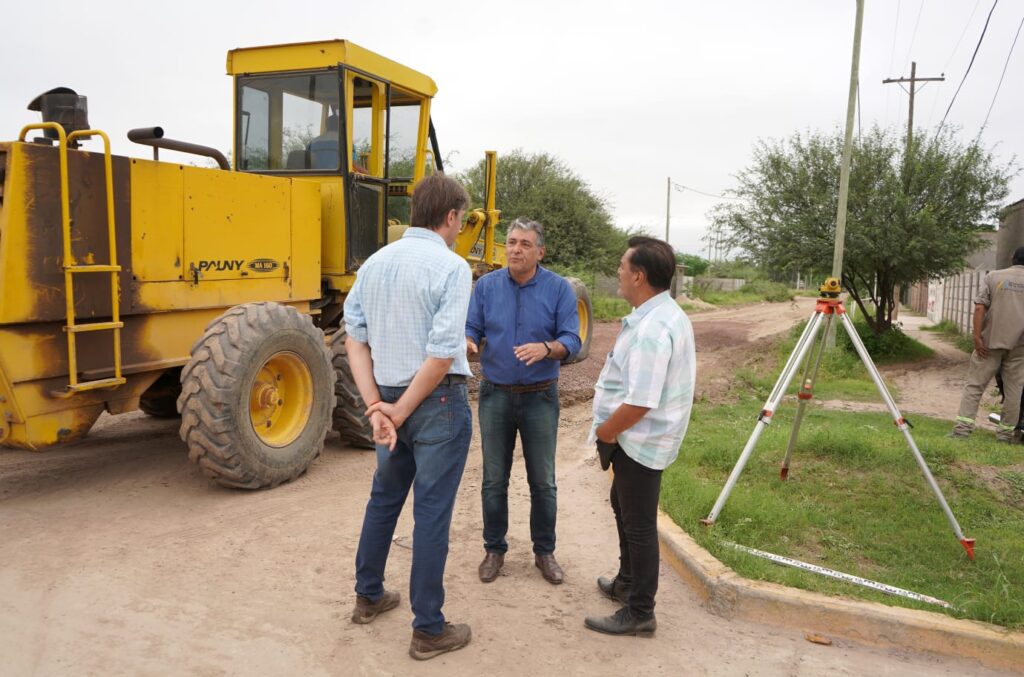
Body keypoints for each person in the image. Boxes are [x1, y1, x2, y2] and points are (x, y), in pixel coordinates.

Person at [343, 173, 474, 660]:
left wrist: (376, 405)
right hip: (436, 403)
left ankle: (368, 596)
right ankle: (428, 629)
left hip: (389, 397)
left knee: (384, 499)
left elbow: (355, 337)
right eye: (460, 220)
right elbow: (441, 354)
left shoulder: (375, 263)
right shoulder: (452, 267)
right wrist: (396, 411)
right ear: (451, 216)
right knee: (431, 513)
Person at [584, 236, 695, 637]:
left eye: (622, 266)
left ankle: (640, 611)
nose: (617, 272)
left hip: (638, 439)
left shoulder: (652, 329)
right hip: (640, 438)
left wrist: (606, 432)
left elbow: (640, 402)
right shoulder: (663, 314)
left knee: (640, 525)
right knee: (623, 505)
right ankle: (627, 582)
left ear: (639, 276)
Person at [465, 218, 581, 585]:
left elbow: (572, 340)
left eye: (525, 244)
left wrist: (547, 348)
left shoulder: (559, 289)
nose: (515, 249)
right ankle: (494, 550)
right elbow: (472, 327)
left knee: (543, 481)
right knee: (493, 479)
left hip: (540, 397)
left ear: (540, 252)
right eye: (512, 242)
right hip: (495, 395)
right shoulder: (486, 286)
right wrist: (468, 340)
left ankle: (544, 552)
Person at [949, 246, 1024, 443]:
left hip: (990, 342)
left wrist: (977, 337)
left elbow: (979, 308)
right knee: (1014, 391)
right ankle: (1005, 435)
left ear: (1012, 258)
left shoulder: (993, 277)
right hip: (1020, 347)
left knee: (974, 385)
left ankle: (962, 430)